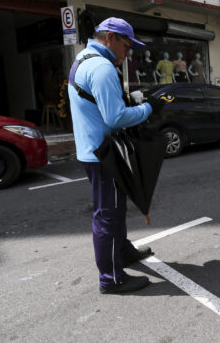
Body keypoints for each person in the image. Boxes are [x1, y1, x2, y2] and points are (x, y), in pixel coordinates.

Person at [68, 17, 166, 294]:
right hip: (104, 154)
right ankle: (111, 278)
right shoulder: (102, 67)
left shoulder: (84, 59)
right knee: (108, 215)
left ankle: (122, 251)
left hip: (94, 149)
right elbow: (115, 118)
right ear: (110, 37)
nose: (128, 51)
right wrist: (149, 108)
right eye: (127, 44)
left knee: (116, 208)